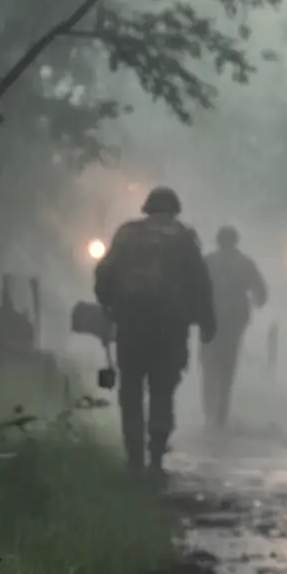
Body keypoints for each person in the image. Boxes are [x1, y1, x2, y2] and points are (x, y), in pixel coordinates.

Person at [94, 186, 215, 477]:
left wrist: (110, 308)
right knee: (162, 389)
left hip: (131, 325)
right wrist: (207, 322)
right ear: (175, 209)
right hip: (170, 328)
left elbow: (104, 275)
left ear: (147, 208)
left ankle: (134, 455)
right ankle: (157, 454)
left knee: (131, 388)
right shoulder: (184, 238)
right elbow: (200, 283)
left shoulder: (127, 234)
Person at [200, 225, 268, 430]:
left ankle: (209, 410)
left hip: (209, 320)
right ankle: (221, 413)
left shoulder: (208, 262)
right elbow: (261, 293)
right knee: (227, 368)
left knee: (209, 365)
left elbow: (193, 287)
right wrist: (255, 301)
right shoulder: (244, 263)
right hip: (233, 323)